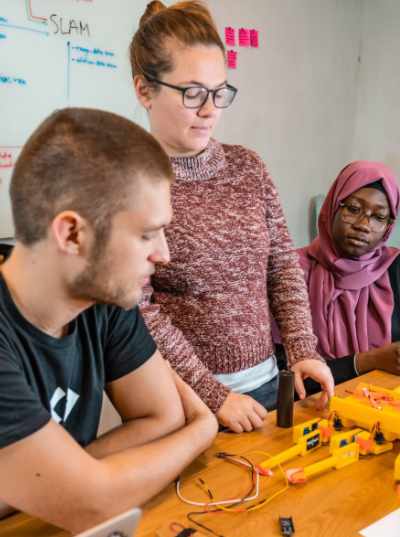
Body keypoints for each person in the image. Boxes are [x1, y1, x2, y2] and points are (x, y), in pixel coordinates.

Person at [0, 108, 218, 533]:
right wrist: (203, 429)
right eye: (146, 234)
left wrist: (59, 478)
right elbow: (90, 503)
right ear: (73, 235)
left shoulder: (101, 298)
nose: (164, 254)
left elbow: (162, 417)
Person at [130, 0, 334, 434]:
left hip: (267, 381)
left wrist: (302, 349)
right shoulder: (128, 182)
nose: (210, 110)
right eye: (192, 93)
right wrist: (213, 394)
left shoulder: (248, 167)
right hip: (182, 403)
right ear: (144, 90)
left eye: (220, 92)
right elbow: (138, 309)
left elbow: (282, 267)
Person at [297, 160, 400, 387]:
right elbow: (287, 374)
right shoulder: (292, 270)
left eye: (378, 217)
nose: (364, 225)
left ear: (388, 226)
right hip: (313, 404)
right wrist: (367, 361)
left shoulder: (396, 268)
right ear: (333, 205)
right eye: (353, 209)